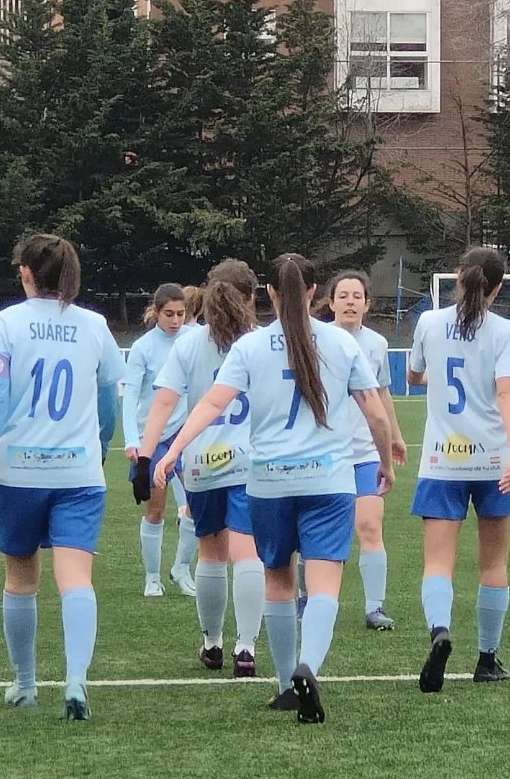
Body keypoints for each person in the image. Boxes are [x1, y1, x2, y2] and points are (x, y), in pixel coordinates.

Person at [155, 254, 394, 724]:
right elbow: (376, 413)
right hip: (328, 480)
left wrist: (172, 450)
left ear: (269, 293)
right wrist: (385, 462)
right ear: (314, 293)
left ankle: (286, 684)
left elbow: (210, 404)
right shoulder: (341, 344)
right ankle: (311, 666)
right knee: (323, 584)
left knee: (278, 581)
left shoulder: (250, 347)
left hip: (268, 482)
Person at [0, 233, 125, 722]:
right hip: (79, 470)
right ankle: (76, 680)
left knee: (20, 576)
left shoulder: (7, 323)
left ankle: (26, 682)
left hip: (20, 469)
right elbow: (107, 402)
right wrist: (97, 450)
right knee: (76, 577)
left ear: (27, 273)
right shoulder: (95, 325)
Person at [138, 261, 266, 681]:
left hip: (200, 462)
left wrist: (146, 455)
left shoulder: (189, 345)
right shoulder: (262, 342)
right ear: (250, 297)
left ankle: (212, 642)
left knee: (211, 554)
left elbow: (162, 403)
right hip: (253, 461)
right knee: (248, 553)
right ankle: (245, 647)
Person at [407, 246, 510, 694]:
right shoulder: (506, 331)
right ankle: (487, 659)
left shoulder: (429, 323)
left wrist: (429, 373)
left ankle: (439, 630)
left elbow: (414, 377)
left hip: (442, 459)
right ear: (497, 287)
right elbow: (507, 392)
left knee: (438, 562)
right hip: (492, 459)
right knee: (493, 563)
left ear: (458, 278)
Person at [326, 271, 407, 630]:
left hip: (365, 452)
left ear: (367, 304)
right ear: (330, 302)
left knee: (370, 525)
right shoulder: (315, 340)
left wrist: (394, 436)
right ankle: (304, 598)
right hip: (324, 451)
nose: (349, 301)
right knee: (316, 529)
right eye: (342, 295)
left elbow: (382, 393)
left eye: (356, 296)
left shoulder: (376, 344)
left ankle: (375, 607)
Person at [124, 283, 197, 597]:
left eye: (181, 314)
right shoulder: (143, 347)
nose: (176, 320)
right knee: (156, 508)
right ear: (156, 312)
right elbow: (129, 397)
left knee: (196, 505)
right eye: (169, 314)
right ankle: (152, 577)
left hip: (188, 434)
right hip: (152, 438)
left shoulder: (195, 339)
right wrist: (132, 440)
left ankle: (181, 568)